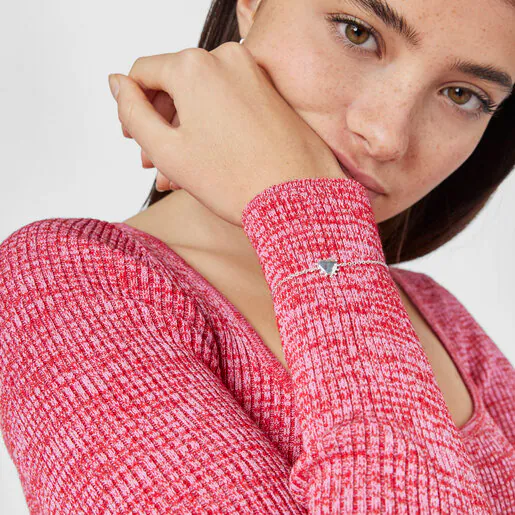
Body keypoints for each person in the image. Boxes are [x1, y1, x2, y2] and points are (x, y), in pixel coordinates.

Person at [0, 0, 513, 512]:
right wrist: (313, 221)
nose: (386, 136)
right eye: (357, 32)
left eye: (462, 95)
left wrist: (313, 229)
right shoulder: (62, 282)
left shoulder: (440, 317)